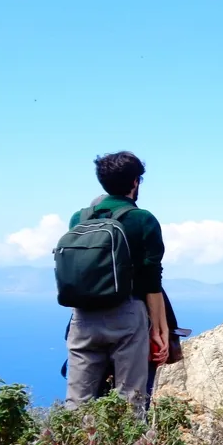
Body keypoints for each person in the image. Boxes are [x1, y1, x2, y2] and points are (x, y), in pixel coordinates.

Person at [63, 152, 168, 415]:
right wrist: (159, 329)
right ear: (135, 182)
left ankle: (73, 441)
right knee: (130, 402)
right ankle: (126, 443)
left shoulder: (78, 219)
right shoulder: (143, 219)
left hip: (83, 317)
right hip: (127, 314)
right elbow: (151, 280)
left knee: (77, 404)